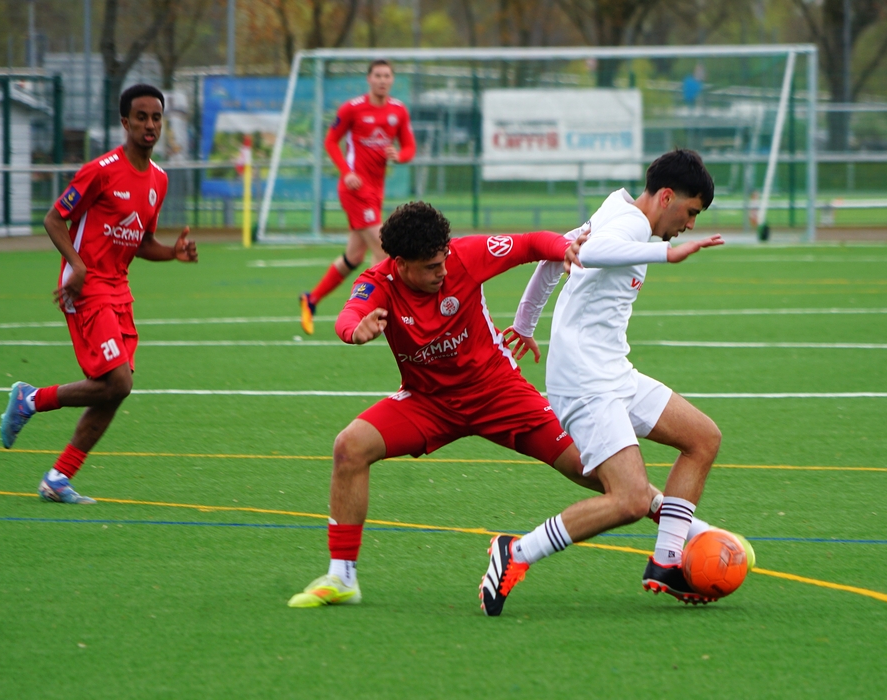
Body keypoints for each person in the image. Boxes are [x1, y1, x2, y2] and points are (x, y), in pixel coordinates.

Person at [286, 201, 702, 612]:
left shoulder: (466, 255)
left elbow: (530, 243)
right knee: (349, 447)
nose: (442, 271)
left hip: (498, 393)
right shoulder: (379, 282)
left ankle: (689, 529)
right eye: (431, 267)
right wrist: (354, 331)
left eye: (443, 260)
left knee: (591, 468)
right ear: (400, 264)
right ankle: (341, 577)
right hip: (428, 404)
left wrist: (565, 248)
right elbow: (350, 313)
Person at [493, 148, 752, 611]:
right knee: (630, 500)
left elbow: (556, 254)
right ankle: (517, 552)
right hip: (585, 383)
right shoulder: (629, 225)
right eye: (691, 212)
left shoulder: (616, 209)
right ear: (667, 197)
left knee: (703, 438)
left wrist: (525, 323)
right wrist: (667, 253)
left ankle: (667, 563)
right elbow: (590, 252)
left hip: (613, 372)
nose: (690, 224)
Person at [0, 83, 198, 504]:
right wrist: (76, 265)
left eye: (156, 117)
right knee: (118, 382)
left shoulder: (159, 179)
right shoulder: (101, 170)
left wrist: (173, 253)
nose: (149, 125)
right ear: (125, 122)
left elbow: (142, 242)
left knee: (113, 388)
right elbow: (54, 219)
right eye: (141, 117)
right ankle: (30, 399)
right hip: (86, 288)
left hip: (119, 291)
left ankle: (58, 478)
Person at [299, 59, 416, 335]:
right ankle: (378, 312)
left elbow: (410, 147)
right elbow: (330, 141)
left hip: (376, 192)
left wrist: (399, 155)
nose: (382, 80)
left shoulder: (398, 111)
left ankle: (311, 299)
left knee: (354, 255)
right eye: (378, 75)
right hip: (355, 190)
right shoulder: (352, 108)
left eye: (387, 76)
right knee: (383, 250)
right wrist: (346, 172)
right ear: (369, 79)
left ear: (392, 80)